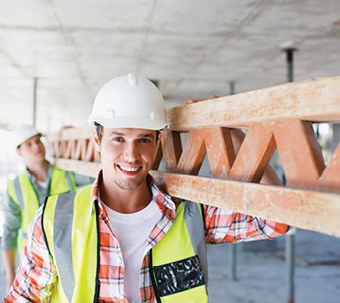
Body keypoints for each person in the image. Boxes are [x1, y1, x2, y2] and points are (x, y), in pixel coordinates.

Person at [3, 74, 291, 302]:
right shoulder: (54, 221)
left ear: (157, 143)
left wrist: (235, 135)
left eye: (143, 140)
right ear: (96, 140)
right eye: (118, 139)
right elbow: (25, 297)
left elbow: (277, 221)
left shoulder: (190, 215)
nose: (131, 155)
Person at [1, 124, 94, 293]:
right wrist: (10, 278)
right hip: (32, 261)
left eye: (38, 141)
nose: (36, 146)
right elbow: (9, 233)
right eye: (29, 144)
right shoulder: (14, 188)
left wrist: (70, 137)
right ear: (19, 152)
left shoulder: (67, 174)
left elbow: (97, 174)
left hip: (68, 257)